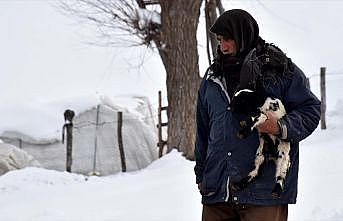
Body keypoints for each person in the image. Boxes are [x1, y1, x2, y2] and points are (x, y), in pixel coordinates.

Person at [194, 9, 320, 221]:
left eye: (228, 40)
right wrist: (201, 174)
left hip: (263, 192)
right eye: (219, 40)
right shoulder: (212, 76)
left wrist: (280, 126)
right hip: (218, 192)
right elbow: (203, 129)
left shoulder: (279, 69)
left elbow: (311, 110)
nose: (222, 46)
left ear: (243, 36)